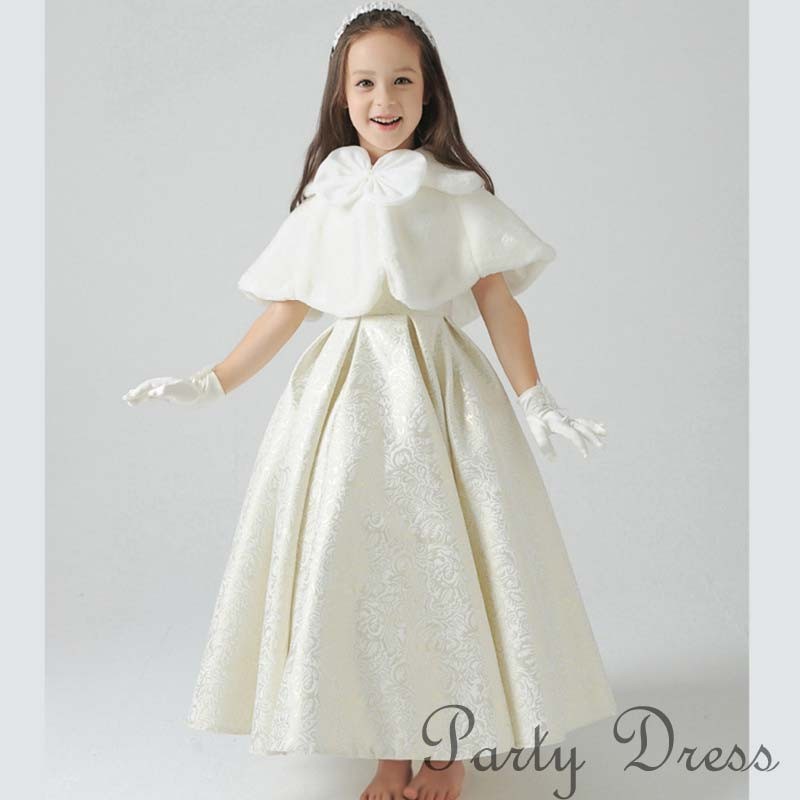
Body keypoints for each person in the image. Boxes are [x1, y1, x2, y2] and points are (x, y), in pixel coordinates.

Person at [123, 3, 616, 799]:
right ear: (341, 94)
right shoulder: (326, 201)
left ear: (428, 92)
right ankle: (388, 746)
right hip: (346, 405)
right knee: (355, 568)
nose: (384, 98)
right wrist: (210, 380)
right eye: (365, 83)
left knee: (443, 563)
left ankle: (445, 746)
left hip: (439, 398)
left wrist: (535, 399)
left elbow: (497, 303)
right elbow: (284, 310)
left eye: (401, 81)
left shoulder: (453, 195)